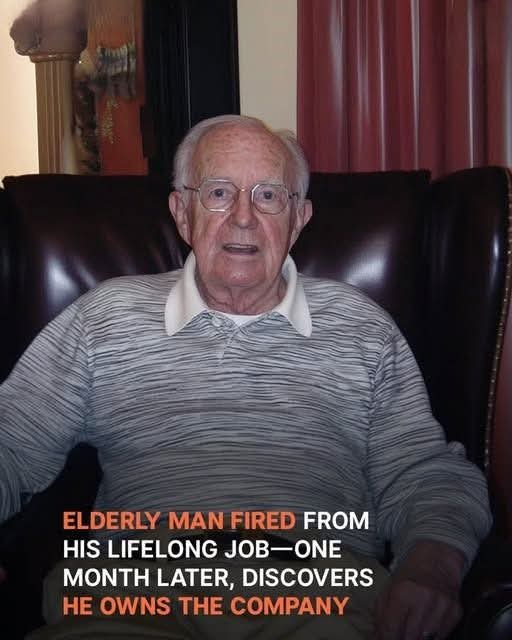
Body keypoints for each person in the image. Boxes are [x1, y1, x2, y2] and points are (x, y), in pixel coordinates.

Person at [0, 115, 491, 640]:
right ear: (181, 213)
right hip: (131, 596)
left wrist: (430, 568)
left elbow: (424, 475)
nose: (242, 217)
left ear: (298, 219)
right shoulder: (106, 318)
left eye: (268, 196)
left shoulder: (362, 328)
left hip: (318, 595)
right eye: (218, 192)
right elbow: (10, 443)